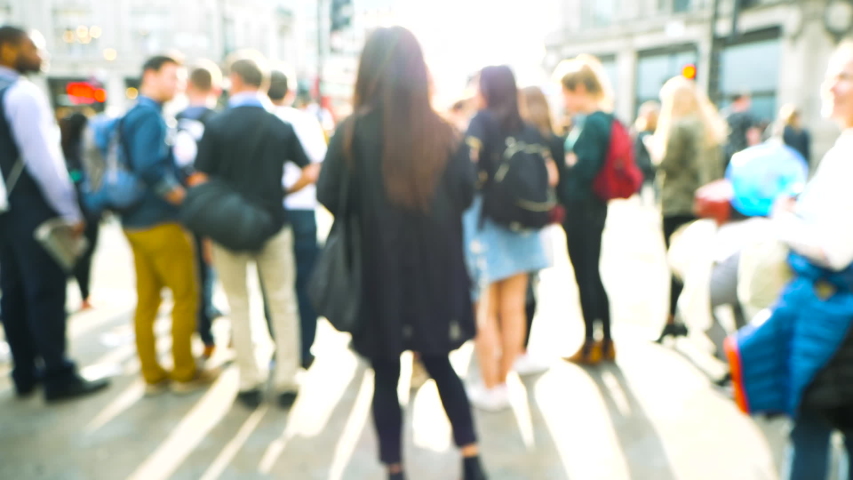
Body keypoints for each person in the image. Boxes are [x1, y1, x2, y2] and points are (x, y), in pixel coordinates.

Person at [317, 26, 486, 480]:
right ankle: (471, 457)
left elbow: (330, 196)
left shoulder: (352, 132)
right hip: (436, 271)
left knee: (385, 373)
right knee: (440, 363)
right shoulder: (445, 133)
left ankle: (395, 468)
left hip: (377, 272)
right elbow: (466, 196)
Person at [193, 53, 313, 410]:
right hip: (273, 223)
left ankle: (249, 381)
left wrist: (208, 232)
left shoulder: (217, 124)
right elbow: (311, 170)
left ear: (234, 79)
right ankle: (288, 378)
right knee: (283, 301)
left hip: (228, 227)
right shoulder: (279, 125)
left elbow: (200, 181)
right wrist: (283, 193)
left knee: (238, 303)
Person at [0, 26, 109, 401]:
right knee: (45, 291)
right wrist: (69, 209)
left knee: (13, 291)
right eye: (34, 47)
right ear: (7, 49)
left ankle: (25, 373)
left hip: (4, 210)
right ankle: (58, 375)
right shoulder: (22, 94)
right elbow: (44, 161)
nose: (42, 55)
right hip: (33, 208)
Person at [770, 40, 853, 480]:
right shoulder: (844, 145)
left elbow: (833, 250)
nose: (831, 85)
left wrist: (782, 221)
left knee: (810, 432)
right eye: (832, 74)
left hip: (836, 324)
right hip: (836, 321)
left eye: (845, 76)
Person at [121, 54, 217, 396]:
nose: (178, 84)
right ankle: (184, 372)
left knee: (147, 301)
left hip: (134, 220)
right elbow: (149, 168)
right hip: (160, 220)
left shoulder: (133, 112)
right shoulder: (150, 116)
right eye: (172, 76)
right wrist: (181, 198)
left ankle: (152, 373)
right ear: (150, 75)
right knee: (185, 296)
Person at [463, 66, 554, 410]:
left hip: (487, 222)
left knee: (483, 309)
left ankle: (491, 387)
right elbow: (551, 175)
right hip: (524, 225)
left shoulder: (481, 122)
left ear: (486, 90)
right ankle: (502, 382)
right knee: (514, 307)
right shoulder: (528, 127)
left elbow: (466, 169)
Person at [650, 76, 726, 342]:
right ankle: (686, 319)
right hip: (705, 206)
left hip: (678, 203)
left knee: (676, 264)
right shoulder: (710, 128)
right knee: (696, 266)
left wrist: (654, 150)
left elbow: (667, 164)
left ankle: (672, 319)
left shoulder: (678, 127)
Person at [555, 55, 616, 364]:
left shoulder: (591, 122)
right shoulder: (605, 118)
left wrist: (567, 163)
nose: (564, 99)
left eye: (566, 92)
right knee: (593, 273)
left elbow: (586, 166)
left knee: (585, 276)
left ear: (579, 88)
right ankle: (606, 341)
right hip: (596, 207)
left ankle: (591, 342)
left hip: (582, 208)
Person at [265, 68, 327, 370]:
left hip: (271, 210)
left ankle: (283, 348)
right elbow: (316, 169)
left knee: (274, 285)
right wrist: (291, 189)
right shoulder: (305, 121)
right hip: (301, 209)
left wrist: (279, 191)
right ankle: (303, 347)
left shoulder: (265, 120)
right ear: (289, 92)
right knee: (303, 283)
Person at [174, 61, 223, 360]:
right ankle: (209, 331)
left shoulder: (175, 120)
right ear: (215, 88)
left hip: (184, 205)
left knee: (197, 270)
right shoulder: (219, 120)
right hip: (215, 205)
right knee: (214, 267)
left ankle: (204, 331)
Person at [515, 85, 563, 375]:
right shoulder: (553, 139)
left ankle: (511, 347)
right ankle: (520, 348)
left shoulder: (519, 136)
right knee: (530, 286)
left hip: (514, 219)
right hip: (540, 219)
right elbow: (558, 179)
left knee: (512, 287)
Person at [60, 111, 100, 311]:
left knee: (68, 254)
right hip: (86, 211)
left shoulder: (60, 148)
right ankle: (84, 296)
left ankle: (75, 295)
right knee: (85, 254)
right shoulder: (83, 149)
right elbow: (82, 179)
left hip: (66, 211)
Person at [722, 92, 759, 168]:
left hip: (726, 155)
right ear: (741, 100)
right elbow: (752, 136)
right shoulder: (747, 116)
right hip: (743, 155)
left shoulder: (724, 115)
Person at [634, 100, 660, 205]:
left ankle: (655, 203)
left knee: (656, 185)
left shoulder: (659, 129)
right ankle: (641, 203)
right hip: (642, 163)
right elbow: (636, 148)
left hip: (654, 162)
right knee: (641, 187)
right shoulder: (639, 130)